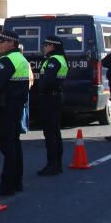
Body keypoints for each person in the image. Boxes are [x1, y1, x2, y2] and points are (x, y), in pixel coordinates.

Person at [0, 30, 31, 196]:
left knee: (7, 146)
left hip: (5, 108)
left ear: (12, 43)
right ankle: (16, 180)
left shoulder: (6, 60)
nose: (0, 44)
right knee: (14, 144)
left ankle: (8, 183)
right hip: (16, 107)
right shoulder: (21, 59)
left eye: (3, 41)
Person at [37, 36, 68, 175]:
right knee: (54, 132)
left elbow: (47, 81)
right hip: (55, 96)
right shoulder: (59, 58)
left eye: (46, 44)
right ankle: (56, 164)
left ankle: (53, 165)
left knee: (50, 133)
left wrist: (40, 88)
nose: (44, 47)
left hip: (50, 97)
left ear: (52, 46)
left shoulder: (54, 60)